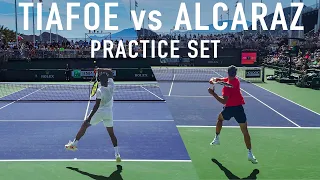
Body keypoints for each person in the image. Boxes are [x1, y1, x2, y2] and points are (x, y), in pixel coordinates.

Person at [65, 68, 121, 162]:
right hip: (109, 113)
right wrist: (100, 69)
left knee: (84, 125)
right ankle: (117, 154)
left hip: (99, 112)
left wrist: (89, 118)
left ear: (100, 81)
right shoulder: (111, 85)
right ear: (107, 80)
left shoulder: (99, 90)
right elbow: (110, 71)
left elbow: (96, 105)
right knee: (112, 134)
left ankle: (74, 144)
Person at [208, 65, 258, 164]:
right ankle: (250, 153)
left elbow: (223, 101)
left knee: (220, 119)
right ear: (235, 74)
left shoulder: (227, 88)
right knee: (245, 131)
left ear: (228, 72)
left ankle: (217, 138)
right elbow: (223, 80)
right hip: (239, 108)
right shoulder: (236, 80)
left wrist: (213, 93)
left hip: (230, 109)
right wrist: (214, 79)